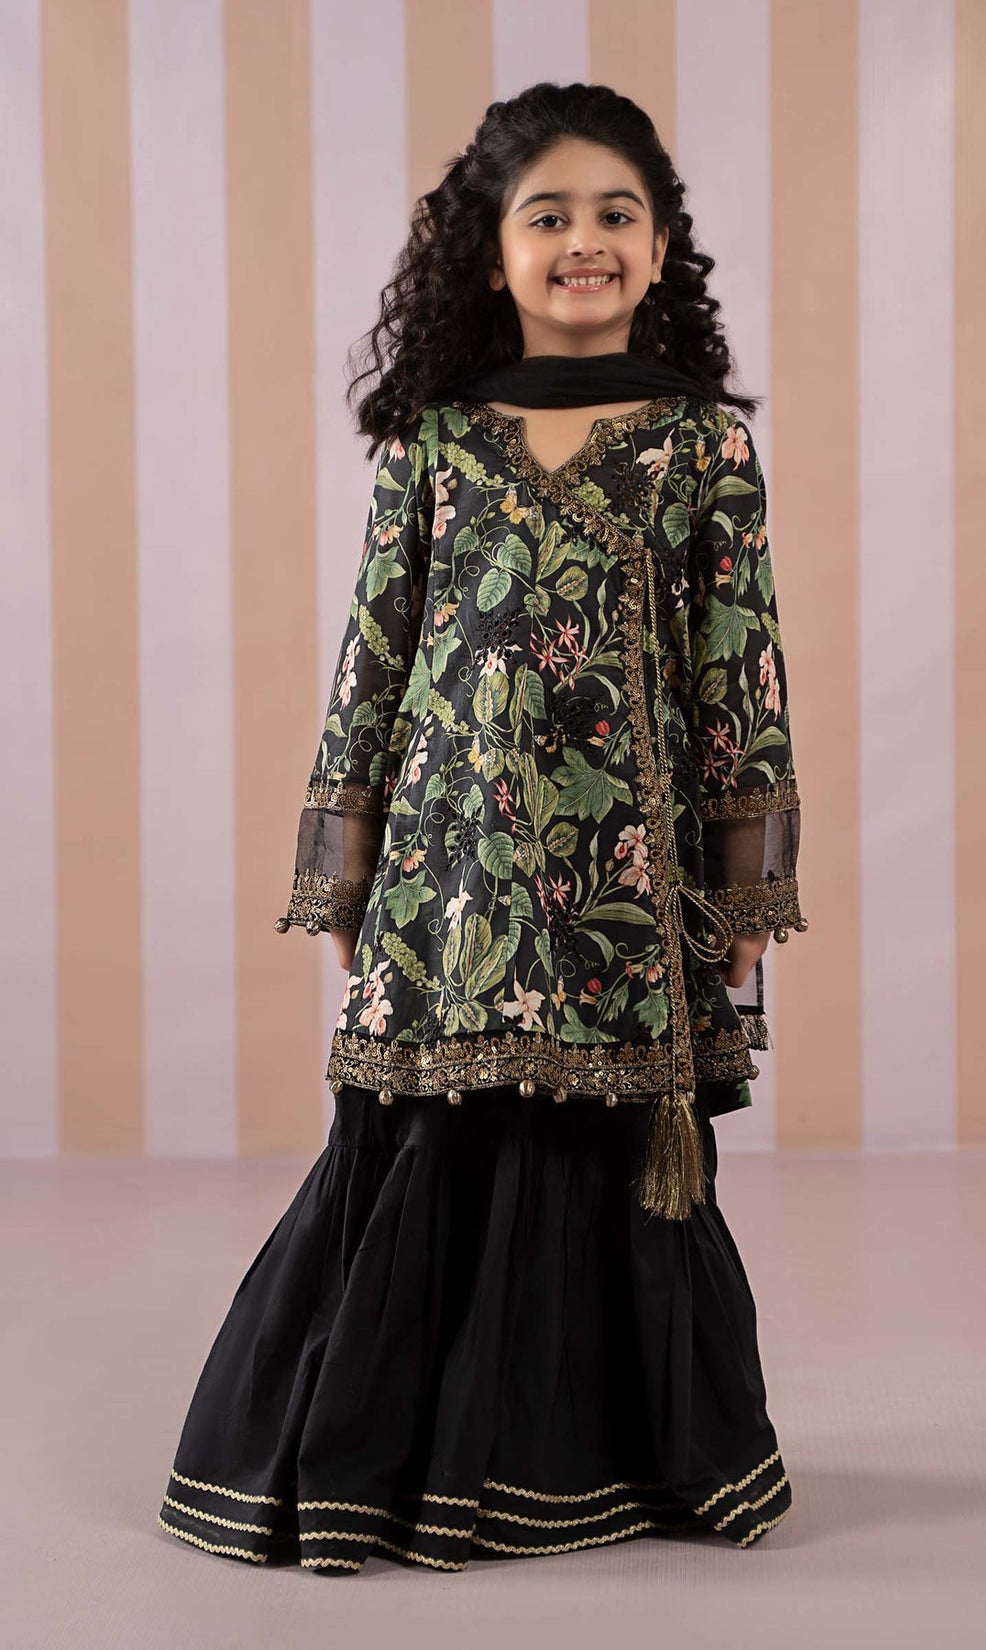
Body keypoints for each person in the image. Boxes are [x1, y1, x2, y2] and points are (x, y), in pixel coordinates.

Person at [157, 80, 808, 1574]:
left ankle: (603, 1466)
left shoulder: (701, 445)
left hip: (626, 885)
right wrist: (341, 867)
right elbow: (373, 659)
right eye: (548, 215)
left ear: (660, 248)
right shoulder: (436, 444)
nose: (585, 240)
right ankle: (383, 1465)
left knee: (607, 1160)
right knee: (435, 1143)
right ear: (494, 251)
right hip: (446, 884)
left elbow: (741, 669)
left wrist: (746, 887)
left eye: (616, 214)